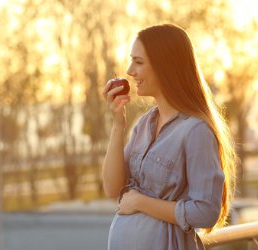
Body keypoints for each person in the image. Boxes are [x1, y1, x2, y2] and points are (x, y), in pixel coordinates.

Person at [102, 23, 237, 250]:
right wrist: (117, 125)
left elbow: (205, 212)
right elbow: (112, 188)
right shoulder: (144, 124)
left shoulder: (196, 130)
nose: (129, 70)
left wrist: (140, 202)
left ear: (164, 66)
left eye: (138, 62)